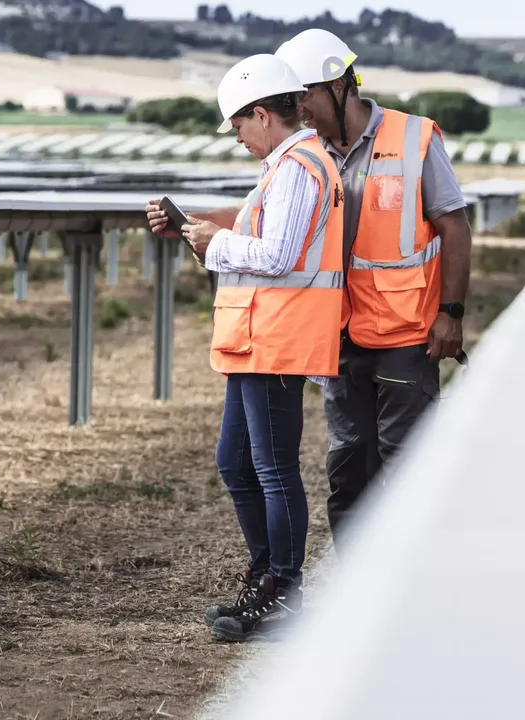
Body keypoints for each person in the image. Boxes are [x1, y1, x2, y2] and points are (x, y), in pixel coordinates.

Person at [145, 54, 345, 643]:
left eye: (238, 127)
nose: (238, 139)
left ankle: (282, 591)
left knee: (273, 471)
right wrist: (200, 230)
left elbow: (277, 256)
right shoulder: (287, 166)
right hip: (259, 339)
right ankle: (267, 577)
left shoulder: (298, 168)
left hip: (279, 338)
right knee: (236, 464)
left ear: (263, 114)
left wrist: (216, 240)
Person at [273, 29, 473, 545]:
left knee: (407, 468)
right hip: (335, 339)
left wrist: (451, 312)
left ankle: (416, 593)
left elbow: (454, 226)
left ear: (341, 85)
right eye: (291, 102)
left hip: (407, 335)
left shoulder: (413, 138)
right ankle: (355, 602)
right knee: (348, 473)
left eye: (305, 97)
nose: (300, 110)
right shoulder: (306, 152)